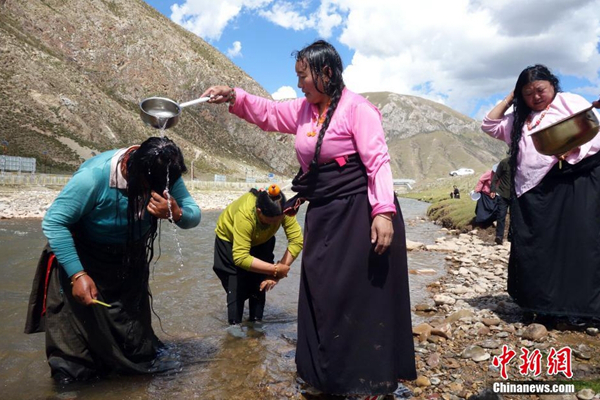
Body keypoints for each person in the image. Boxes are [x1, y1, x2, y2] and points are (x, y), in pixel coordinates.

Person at [201, 39, 416, 398]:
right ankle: (325, 375)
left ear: (326, 73)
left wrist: (383, 213)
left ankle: (367, 379)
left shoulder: (358, 109)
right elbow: (269, 113)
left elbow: (378, 162)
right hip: (325, 213)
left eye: (303, 76)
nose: (299, 83)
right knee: (322, 290)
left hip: (359, 212)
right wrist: (233, 96)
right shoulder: (304, 111)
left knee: (359, 294)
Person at [24, 136, 201, 384]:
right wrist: (77, 274)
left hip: (129, 261)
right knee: (75, 355)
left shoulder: (164, 171)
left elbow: (194, 216)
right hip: (82, 257)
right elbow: (55, 222)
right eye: (145, 187)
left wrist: (176, 212)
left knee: (134, 344)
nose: (150, 193)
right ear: (129, 168)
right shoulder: (93, 178)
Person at [481, 64, 600, 320]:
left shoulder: (570, 102)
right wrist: (510, 98)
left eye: (540, 90)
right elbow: (489, 125)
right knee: (537, 248)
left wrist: (572, 150)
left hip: (573, 183)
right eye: (527, 93)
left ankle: (580, 308)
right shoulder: (518, 119)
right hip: (533, 192)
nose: (535, 96)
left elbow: (593, 131)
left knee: (577, 242)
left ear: (553, 85)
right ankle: (540, 305)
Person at [213, 184, 303, 336]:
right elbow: (240, 257)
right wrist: (275, 269)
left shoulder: (284, 210)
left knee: (260, 281)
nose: (274, 225)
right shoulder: (245, 214)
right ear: (259, 211)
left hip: (262, 240)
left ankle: (256, 323)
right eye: (270, 222)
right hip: (230, 240)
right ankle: (234, 328)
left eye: (278, 221)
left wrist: (277, 272)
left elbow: (297, 240)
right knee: (236, 283)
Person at [490, 157, 511, 245]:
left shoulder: (521, 163)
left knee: (515, 217)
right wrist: (492, 190)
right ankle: (499, 236)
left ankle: (511, 237)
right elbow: (496, 177)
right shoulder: (504, 163)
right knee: (501, 215)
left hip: (516, 195)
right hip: (503, 193)